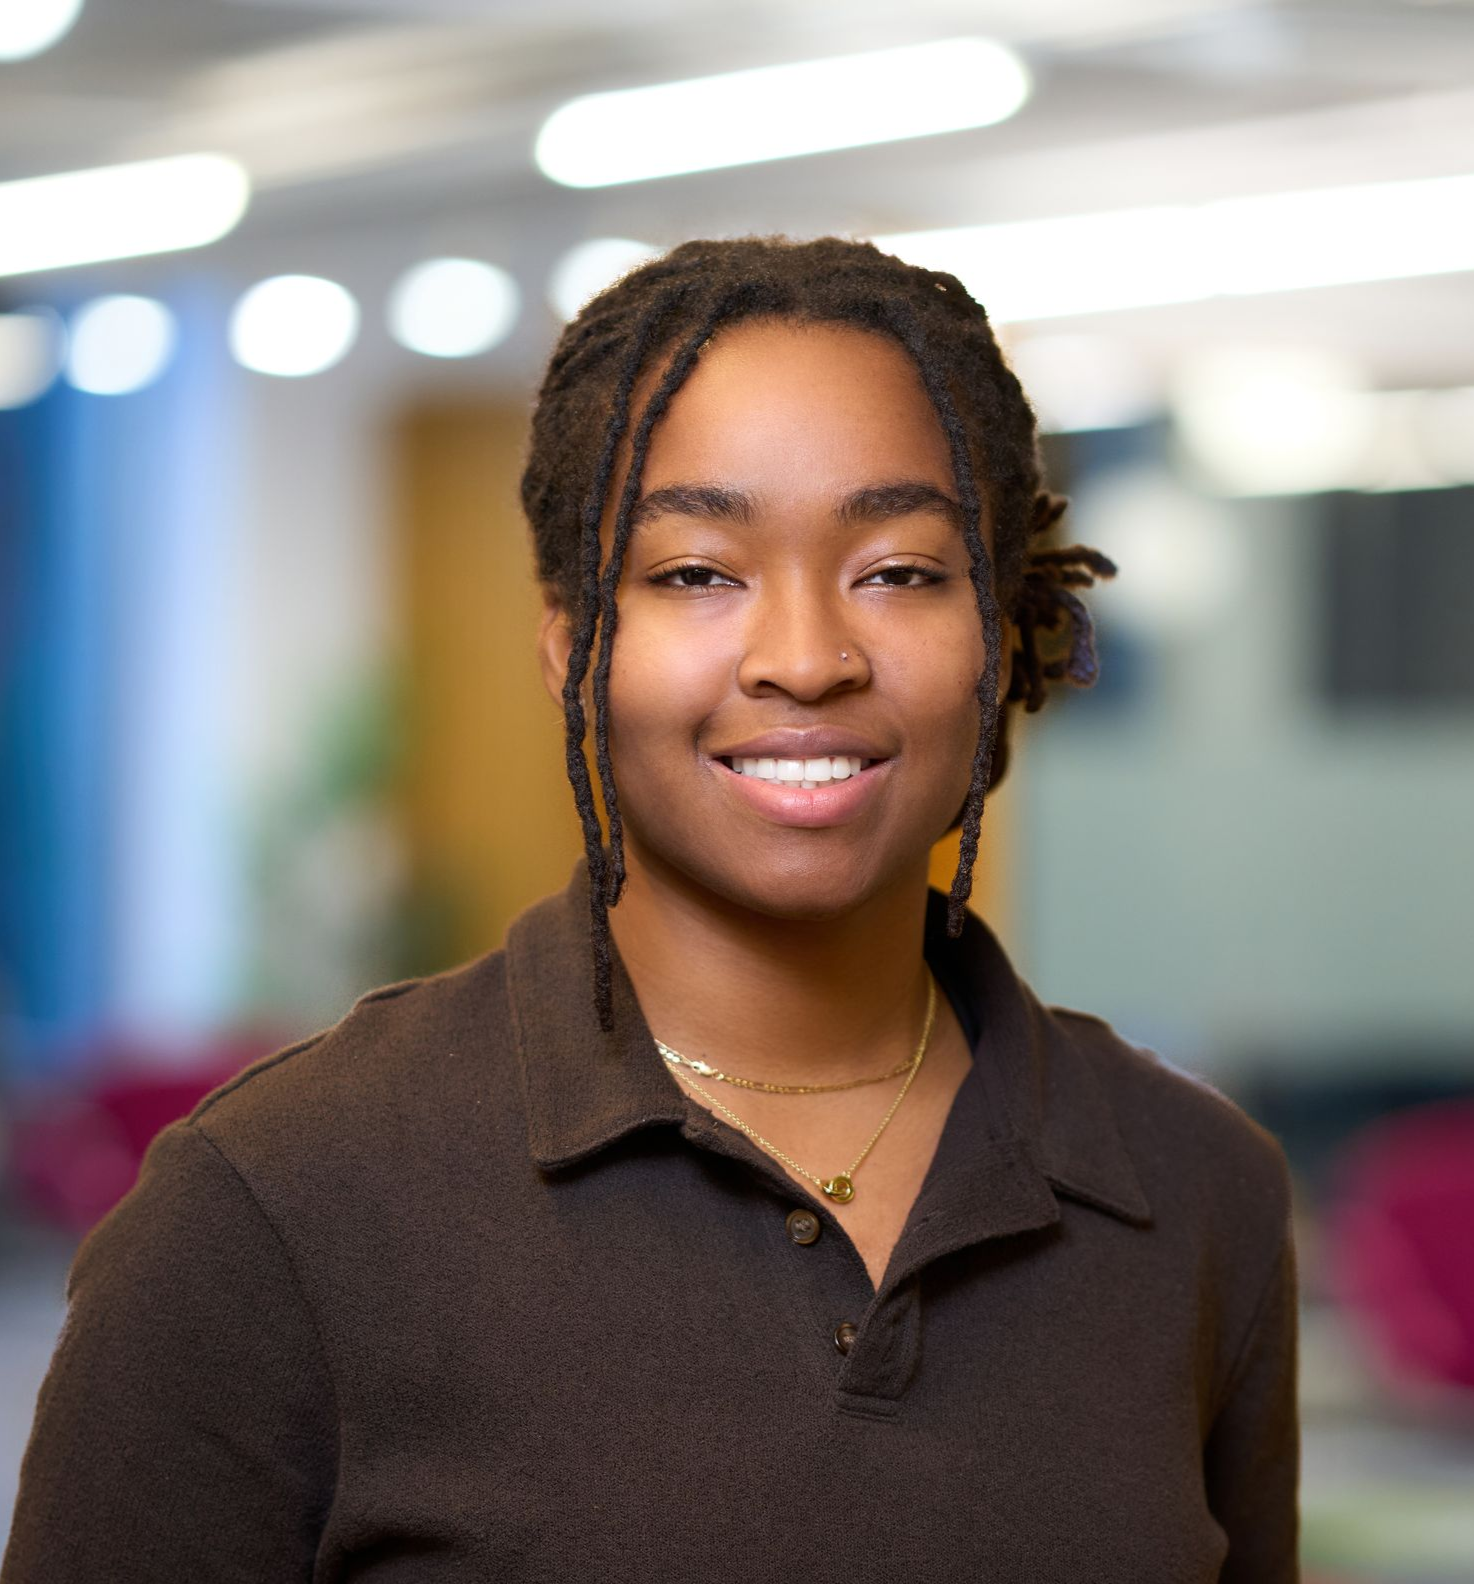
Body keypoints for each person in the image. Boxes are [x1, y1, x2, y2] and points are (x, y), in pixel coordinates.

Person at [1, 237, 1300, 1582]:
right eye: (695, 573)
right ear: (571, 644)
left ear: (1000, 626)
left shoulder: (1198, 1191)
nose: (804, 658)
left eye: (899, 570)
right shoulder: (274, 1201)